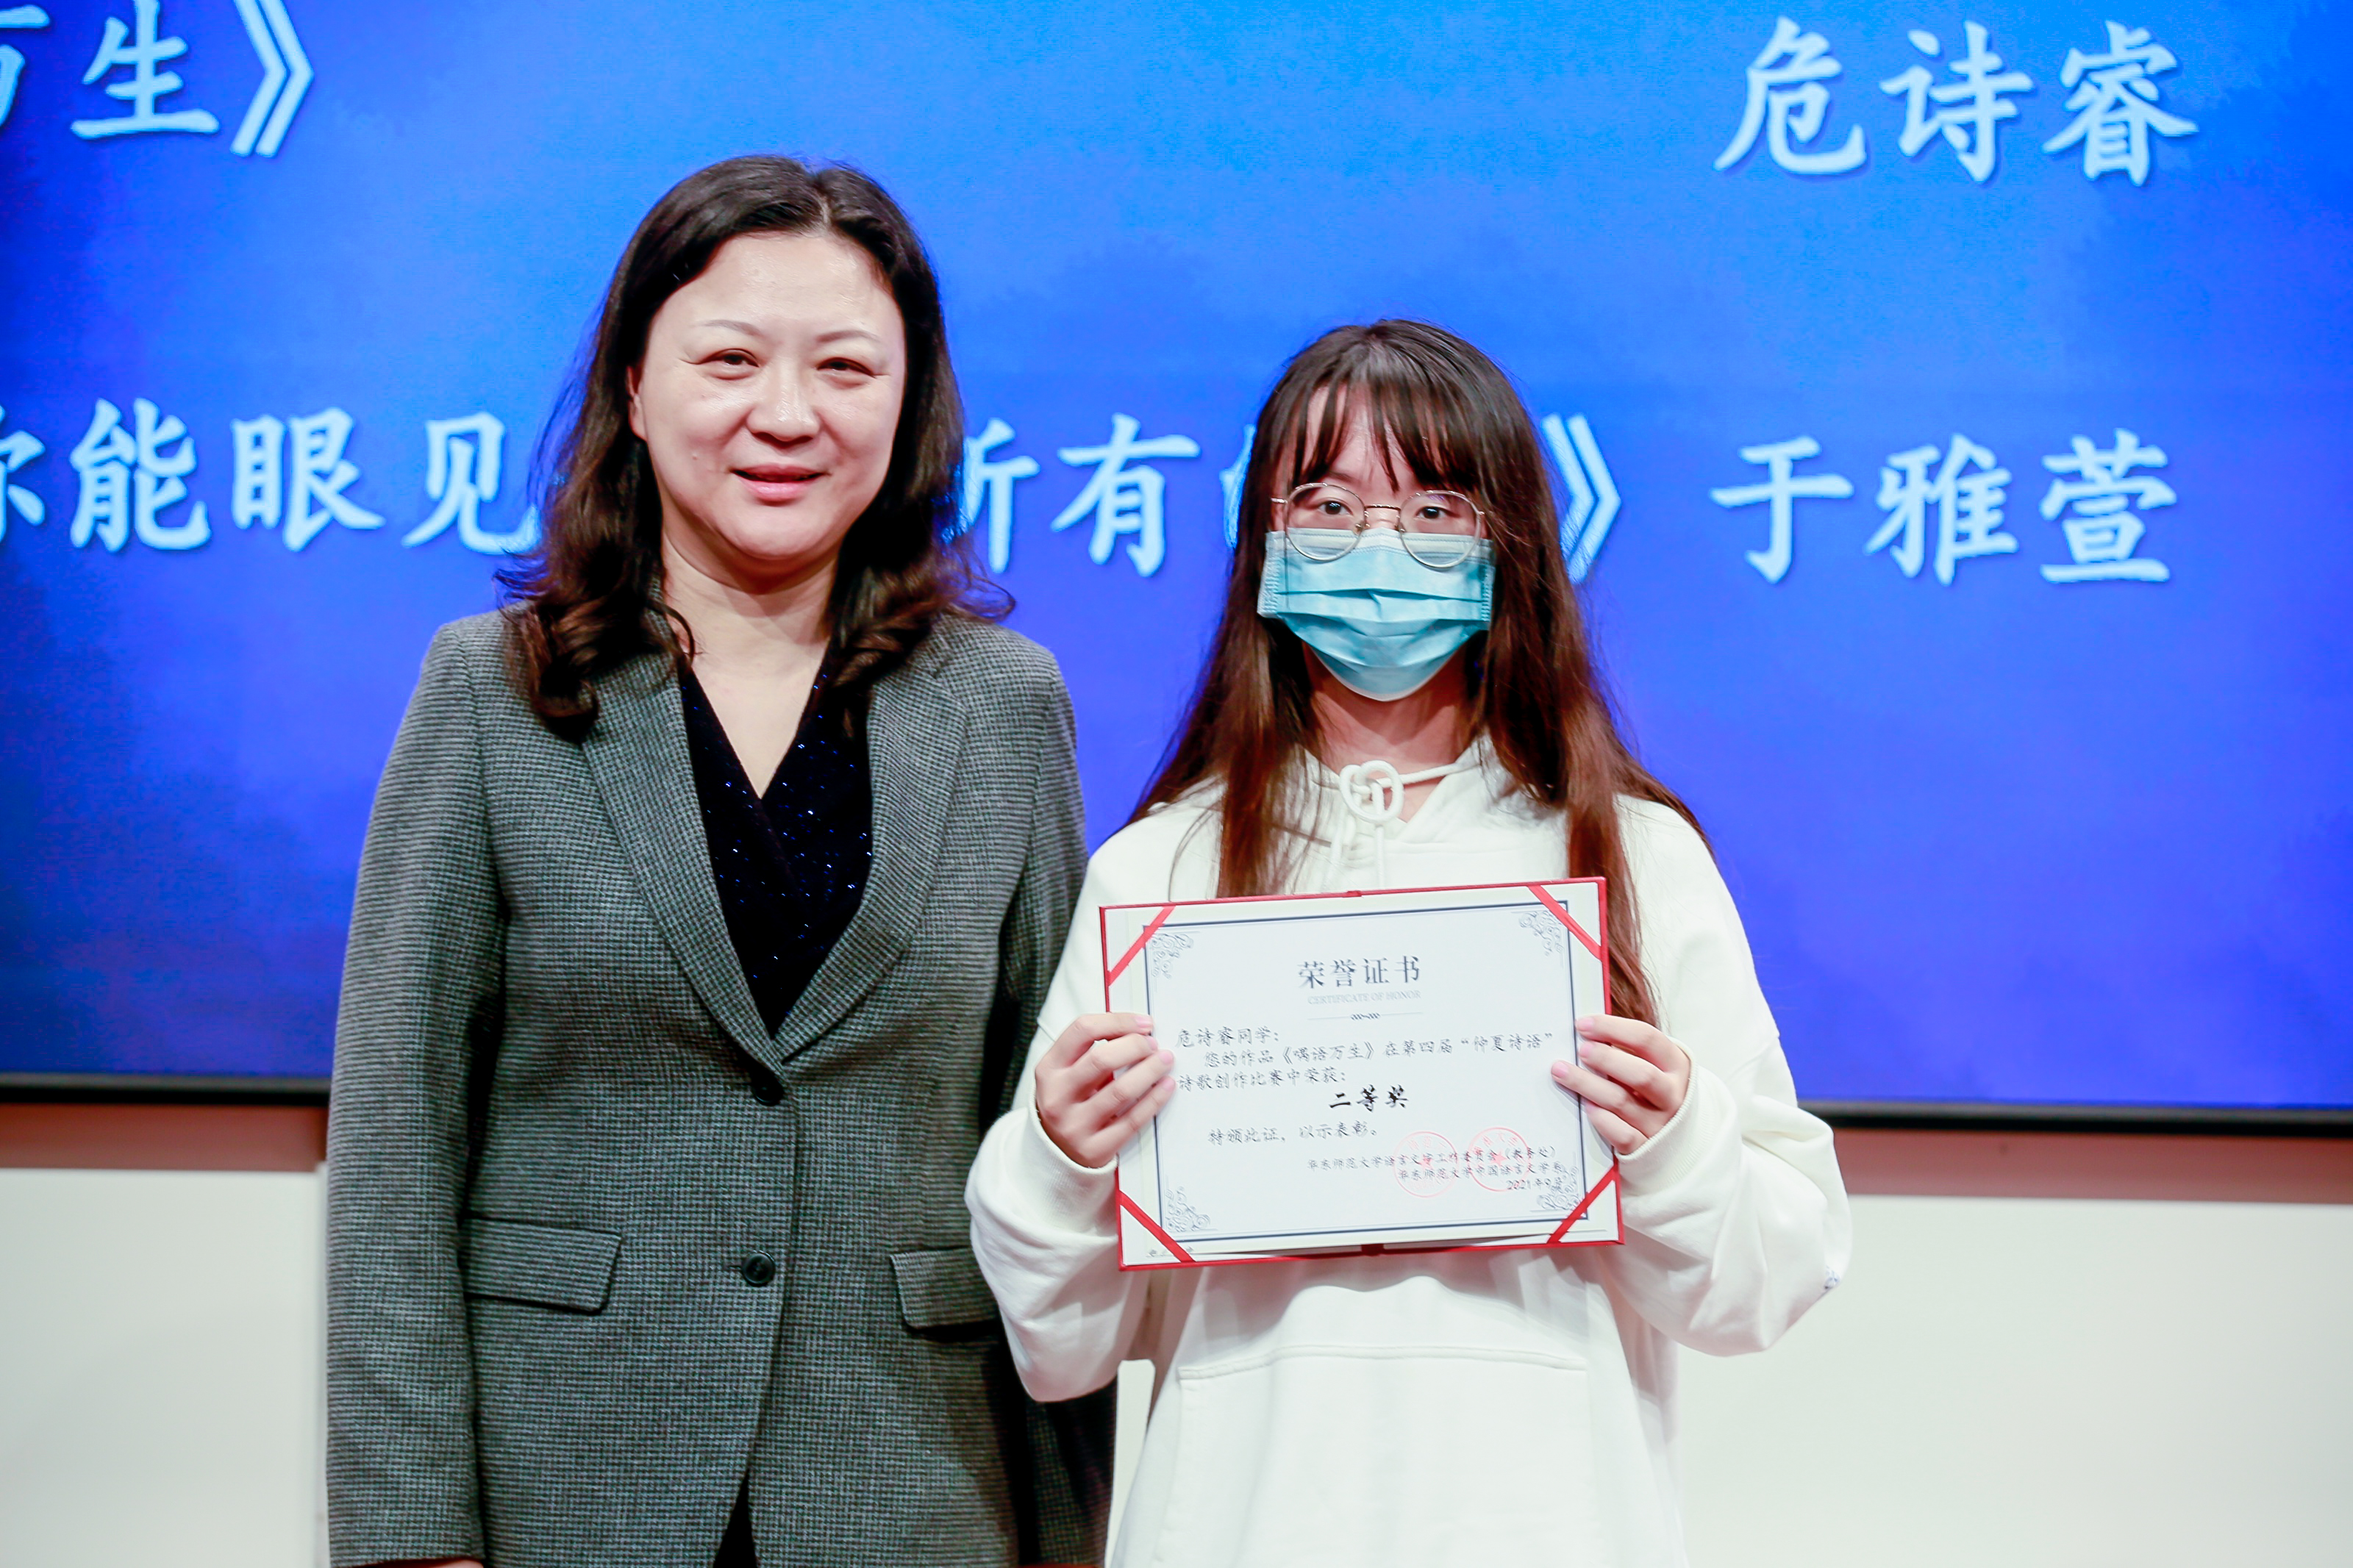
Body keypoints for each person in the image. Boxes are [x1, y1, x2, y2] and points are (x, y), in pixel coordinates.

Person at [966, 321, 1851, 1565]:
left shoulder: (1633, 857)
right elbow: (1061, 1346)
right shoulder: (1159, 871)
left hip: (1551, 1520)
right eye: (1329, 505)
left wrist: (1673, 1136)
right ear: (1265, 541)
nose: (1379, 548)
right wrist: (1062, 1155)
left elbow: (1767, 1280)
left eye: (1436, 510)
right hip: (1240, 1518)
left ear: (1510, 545)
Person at [327, 156, 1105, 1568]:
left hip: (915, 1482)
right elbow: (397, 1134)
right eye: (731, 359)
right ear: (636, 386)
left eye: (845, 367)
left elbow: (1045, 1134)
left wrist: (1074, 1532)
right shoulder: (491, 692)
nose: (788, 413)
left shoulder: (1005, 705)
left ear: (910, 405)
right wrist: (410, 1531)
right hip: (571, 1477)